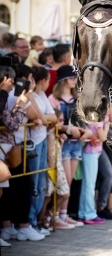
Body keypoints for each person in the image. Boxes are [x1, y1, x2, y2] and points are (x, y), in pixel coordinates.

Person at [0, 61, 45, 245]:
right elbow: (13, 123)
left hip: (11, 148)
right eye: (11, 81)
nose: (13, 83)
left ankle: (9, 227)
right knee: (14, 189)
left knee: (9, 189)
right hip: (7, 147)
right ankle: (19, 227)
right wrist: (21, 104)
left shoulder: (7, 95)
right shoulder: (9, 96)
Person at [42, 108, 83, 229]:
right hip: (53, 168)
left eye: (62, 120)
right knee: (50, 195)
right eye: (59, 120)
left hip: (56, 167)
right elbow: (50, 155)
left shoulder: (56, 134)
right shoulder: (50, 134)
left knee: (62, 193)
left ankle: (48, 216)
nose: (61, 123)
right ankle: (43, 220)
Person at [27, 67, 57, 233]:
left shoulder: (42, 96)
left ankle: (35, 222)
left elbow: (52, 117)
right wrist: (44, 118)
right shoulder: (30, 96)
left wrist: (43, 119)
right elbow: (35, 116)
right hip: (34, 142)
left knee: (41, 183)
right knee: (34, 185)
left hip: (43, 139)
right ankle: (30, 221)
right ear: (43, 81)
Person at [78, 114, 110, 225]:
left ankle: (83, 213)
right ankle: (90, 214)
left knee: (86, 184)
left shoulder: (96, 117)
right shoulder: (98, 118)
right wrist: (107, 124)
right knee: (89, 185)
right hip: (91, 152)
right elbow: (103, 137)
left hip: (92, 152)